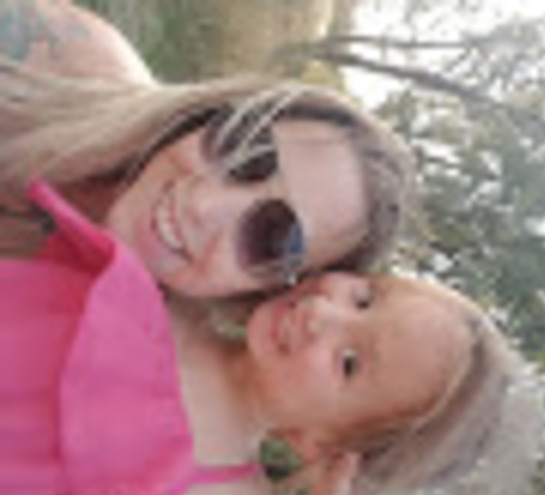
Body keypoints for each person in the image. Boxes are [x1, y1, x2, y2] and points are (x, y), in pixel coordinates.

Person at [0, 180, 519, 495]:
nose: (323, 313)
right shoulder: (189, 294)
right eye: (363, 297)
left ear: (323, 444)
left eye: (349, 363)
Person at [0, 2, 414, 299]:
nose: (204, 205)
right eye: (245, 145)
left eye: (272, 238)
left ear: (261, 296)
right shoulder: (61, 57)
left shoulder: (87, 359)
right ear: (212, 114)